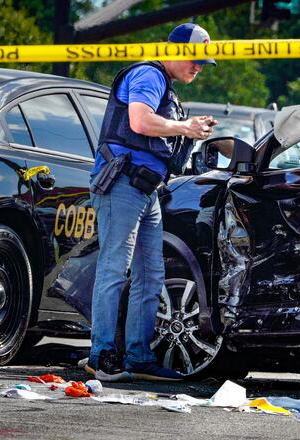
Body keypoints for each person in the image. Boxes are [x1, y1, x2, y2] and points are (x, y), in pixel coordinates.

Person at [85, 23, 217, 382]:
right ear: (172, 51)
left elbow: (155, 132)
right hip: (124, 185)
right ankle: (101, 357)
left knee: (151, 275)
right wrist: (185, 127)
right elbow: (140, 121)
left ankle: (138, 357)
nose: (199, 67)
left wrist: (188, 129)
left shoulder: (165, 86)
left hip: (146, 189)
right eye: (194, 59)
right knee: (116, 268)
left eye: (203, 62)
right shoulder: (149, 73)